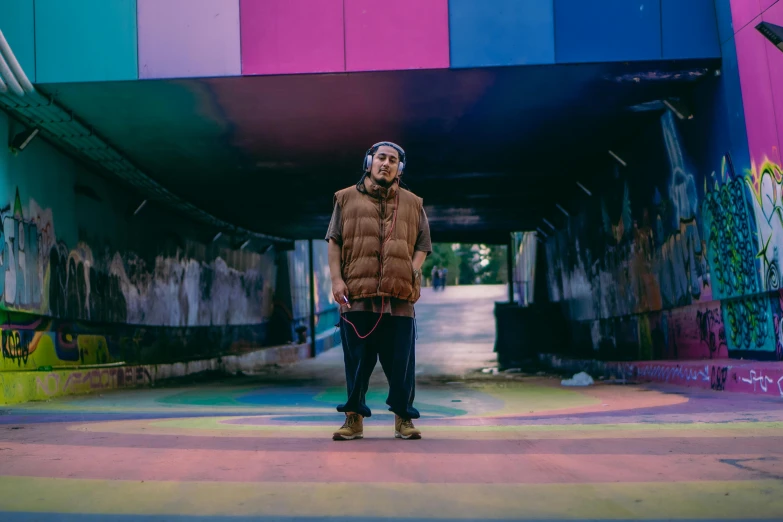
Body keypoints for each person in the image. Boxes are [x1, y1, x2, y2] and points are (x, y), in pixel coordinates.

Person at [325, 141, 432, 441]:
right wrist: (336, 280)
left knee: (401, 365)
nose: (386, 163)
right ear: (369, 162)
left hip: (399, 299)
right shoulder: (345, 199)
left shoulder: (413, 203)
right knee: (357, 364)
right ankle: (353, 419)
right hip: (357, 296)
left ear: (401, 168)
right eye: (381, 158)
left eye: (393, 160)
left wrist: (411, 270)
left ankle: (403, 420)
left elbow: (423, 244)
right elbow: (334, 240)